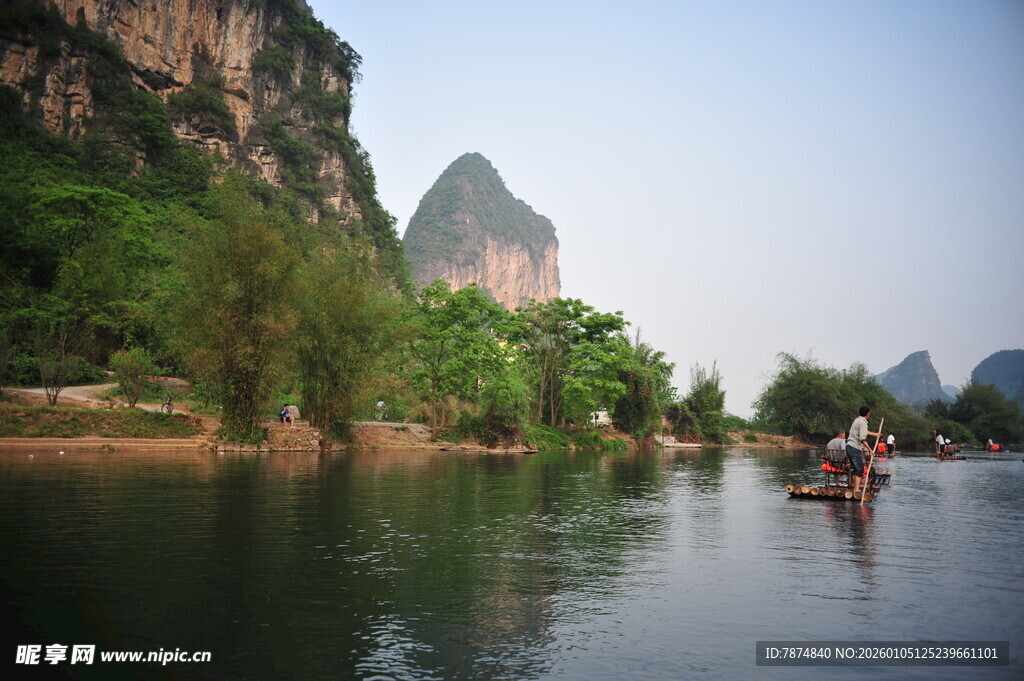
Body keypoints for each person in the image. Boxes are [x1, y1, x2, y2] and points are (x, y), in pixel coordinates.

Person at [846, 406, 880, 497]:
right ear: (868, 413)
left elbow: (863, 432)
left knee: (856, 468)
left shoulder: (857, 420)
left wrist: (875, 434)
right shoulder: (862, 422)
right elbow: (862, 439)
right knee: (859, 469)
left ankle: (855, 489)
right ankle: (856, 491)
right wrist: (870, 450)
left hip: (849, 446)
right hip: (854, 447)